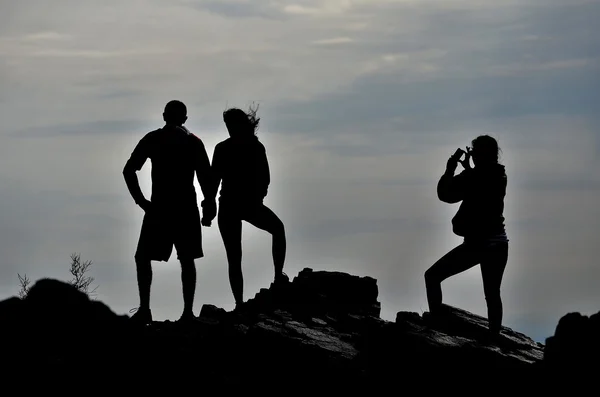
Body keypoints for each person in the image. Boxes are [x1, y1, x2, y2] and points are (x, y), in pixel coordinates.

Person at [123, 100, 216, 324]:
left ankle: (148, 309)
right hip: (182, 208)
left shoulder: (155, 139)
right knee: (185, 259)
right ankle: (185, 313)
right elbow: (207, 181)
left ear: (164, 116)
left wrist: (142, 202)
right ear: (184, 118)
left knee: (148, 258)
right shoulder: (192, 142)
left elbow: (129, 170)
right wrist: (208, 207)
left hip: (161, 209)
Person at [203, 105, 288, 310]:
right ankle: (240, 302)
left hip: (240, 205)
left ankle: (276, 277)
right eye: (227, 125)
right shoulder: (238, 147)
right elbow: (214, 183)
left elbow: (264, 177)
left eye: (230, 124)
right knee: (235, 256)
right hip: (234, 205)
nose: (228, 128)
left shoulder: (248, 147)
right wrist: (208, 209)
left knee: (276, 230)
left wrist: (258, 196)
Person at [424, 135, 509, 335]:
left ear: (482, 153)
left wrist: (451, 168)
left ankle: (436, 326)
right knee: (492, 295)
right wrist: (469, 169)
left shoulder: (475, 175)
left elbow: (446, 194)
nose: (472, 154)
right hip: (498, 243)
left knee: (432, 276)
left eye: (475, 151)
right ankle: (494, 340)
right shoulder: (499, 174)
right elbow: (482, 189)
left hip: (479, 244)